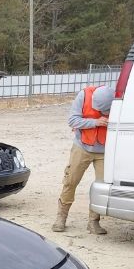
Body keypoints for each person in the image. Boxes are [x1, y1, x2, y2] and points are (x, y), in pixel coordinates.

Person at [52, 85, 115, 234]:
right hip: (82, 147)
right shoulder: (84, 96)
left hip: (105, 151)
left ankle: (93, 222)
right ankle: (61, 218)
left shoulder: (116, 98)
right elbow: (73, 121)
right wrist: (95, 122)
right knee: (70, 181)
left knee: (101, 186)